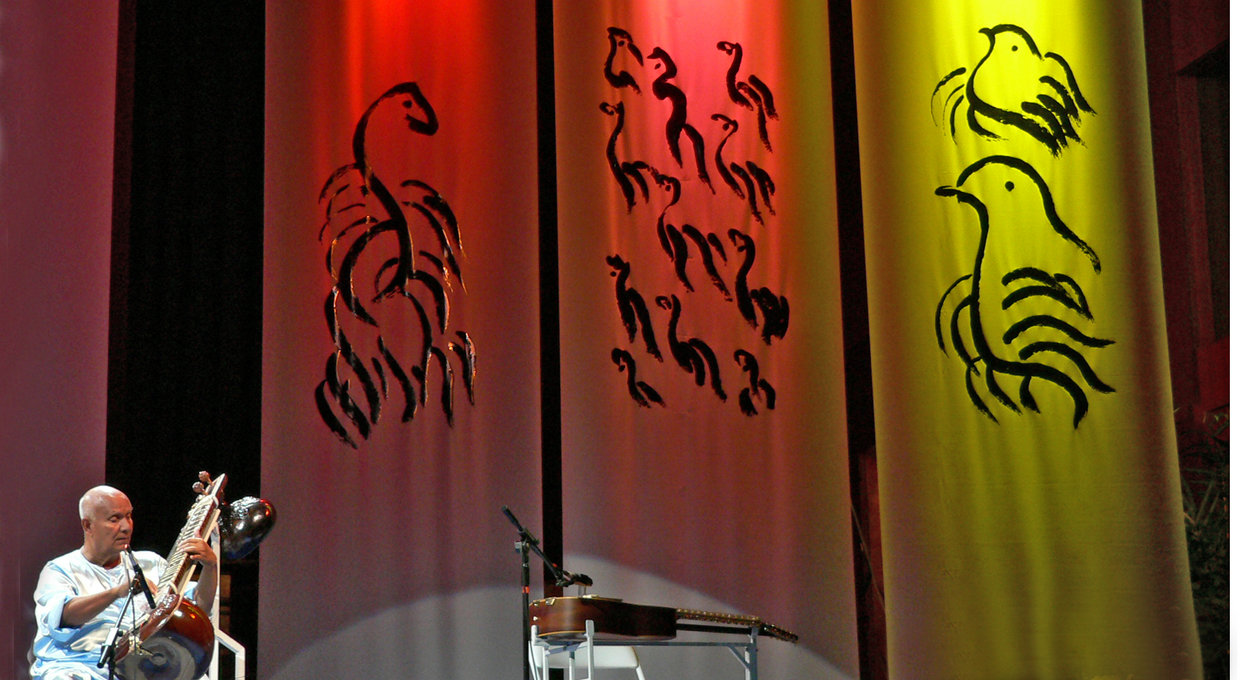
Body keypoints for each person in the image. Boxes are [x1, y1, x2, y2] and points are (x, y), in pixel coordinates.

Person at [30, 485, 218, 680]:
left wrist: (210, 566)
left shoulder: (151, 563)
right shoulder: (60, 569)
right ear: (88, 525)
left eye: (128, 516)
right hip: (81, 666)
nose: (126, 527)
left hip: (142, 667)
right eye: (114, 519)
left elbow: (198, 608)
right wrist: (116, 592)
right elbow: (64, 616)